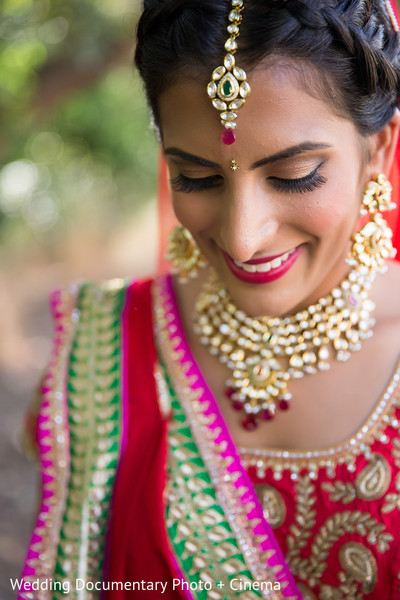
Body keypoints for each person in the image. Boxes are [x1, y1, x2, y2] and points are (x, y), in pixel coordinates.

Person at [19, 1, 400, 599]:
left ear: (379, 149)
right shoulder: (101, 353)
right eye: (197, 178)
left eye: (295, 174)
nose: (242, 238)